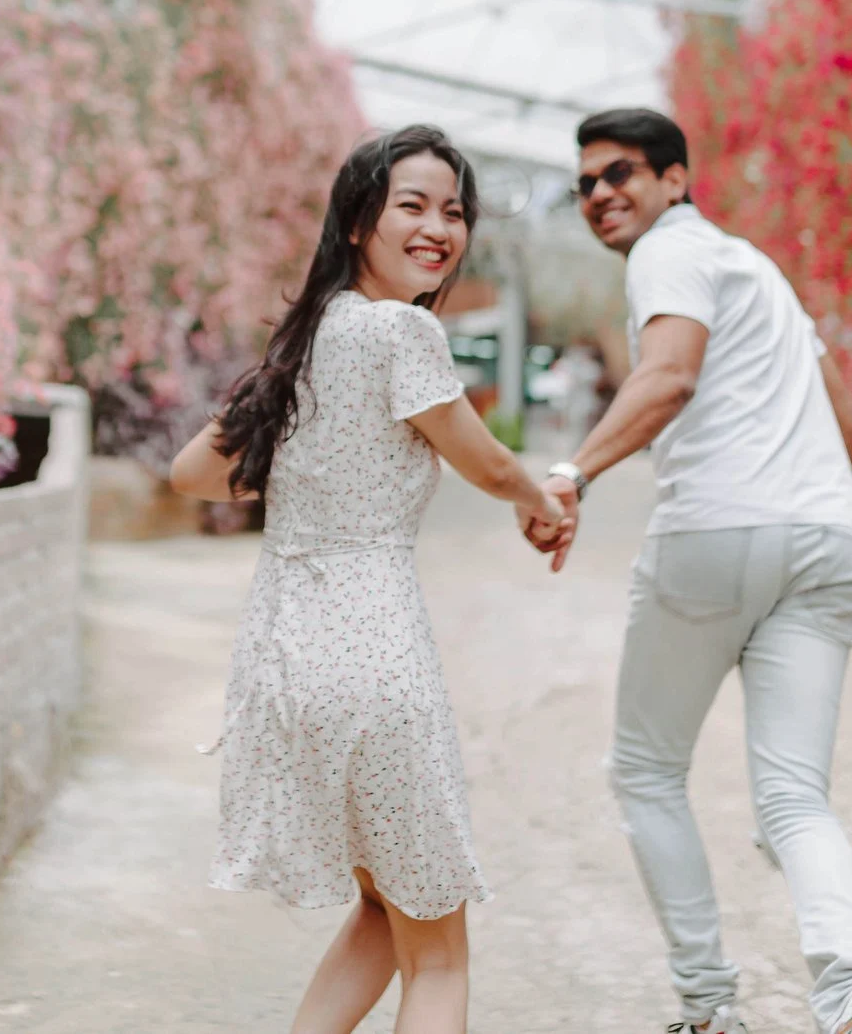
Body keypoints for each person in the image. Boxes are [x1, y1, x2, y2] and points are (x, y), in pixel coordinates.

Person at [170, 125, 571, 1034]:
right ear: (359, 221)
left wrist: (303, 441)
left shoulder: (309, 338)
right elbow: (482, 459)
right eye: (413, 205)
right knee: (439, 957)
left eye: (455, 211)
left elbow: (195, 471)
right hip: (375, 661)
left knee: (389, 911)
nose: (438, 227)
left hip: (284, 660)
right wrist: (541, 499)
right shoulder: (402, 328)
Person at [542, 108, 852, 1034]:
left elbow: (669, 377)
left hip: (713, 530)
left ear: (675, 180)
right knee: (795, 795)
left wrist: (569, 472)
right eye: (585, 183)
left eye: (619, 173)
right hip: (824, 538)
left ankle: (711, 1011)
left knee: (645, 771)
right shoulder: (763, 271)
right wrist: (793, 503)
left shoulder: (668, 251)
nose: (599, 195)